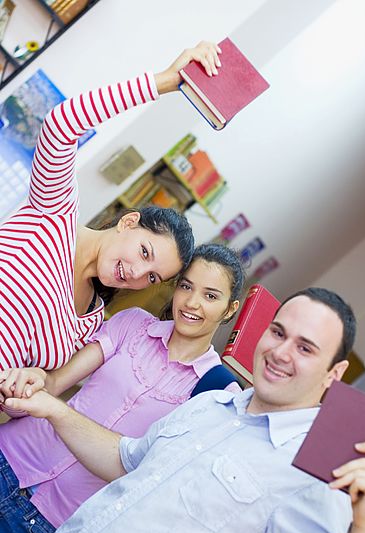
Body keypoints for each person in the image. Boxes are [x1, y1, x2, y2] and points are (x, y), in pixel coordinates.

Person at [0, 288, 365, 533]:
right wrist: (54, 408)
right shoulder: (210, 404)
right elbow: (125, 461)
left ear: (335, 373)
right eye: (278, 332)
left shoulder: (313, 474)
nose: (280, 352)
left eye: (305, 348)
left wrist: (363, 532)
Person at [0, 243, 244, 533]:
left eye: (211, 296)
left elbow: (151, 474)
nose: (192, 303)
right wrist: (26, 383)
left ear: (230, 309)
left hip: (48, 526)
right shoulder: (133, 324)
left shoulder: (218, 393)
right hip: (9, 458)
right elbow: (56, 382)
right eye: (186, 286)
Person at [0, 40, 224, 373]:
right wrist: (164, 81)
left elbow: (28, 395)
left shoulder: (89, 321)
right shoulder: (55, 215)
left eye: (151, 277)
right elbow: (63, 124)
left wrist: (25, 385)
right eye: (145, 253)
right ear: (128, 222)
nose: (136, 274)